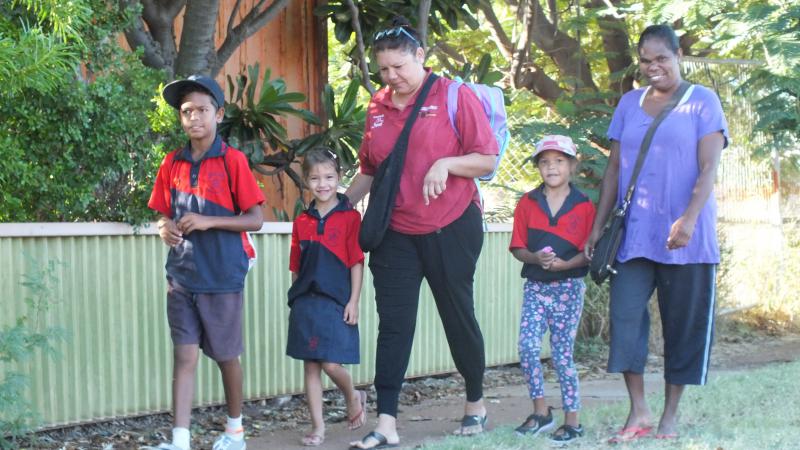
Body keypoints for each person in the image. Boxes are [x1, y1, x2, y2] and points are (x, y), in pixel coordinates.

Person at [345, 16, 499, 450]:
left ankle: (475, 402)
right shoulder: (378, 106)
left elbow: (486, 160)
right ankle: (387, 421)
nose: (392, 76)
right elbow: (371, 170)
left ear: (421, 57)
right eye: (384, 70)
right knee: (394, 325)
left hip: (451, 226)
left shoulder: (454, 95)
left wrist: (446, 164)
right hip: (395, 231)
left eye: (400, 66)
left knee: (457, 315)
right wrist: (337, 204)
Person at [584, 24, 728, 442]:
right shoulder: (628, 104)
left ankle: (669, 416)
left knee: (682, 328)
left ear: (678, 56)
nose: (653, 67)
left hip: (686, 239)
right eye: (645, 61)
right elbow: (613, 170)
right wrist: (598, 227)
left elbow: (709, 168)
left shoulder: (703, 102)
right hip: (634, 237)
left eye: (661, 58)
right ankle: (639, 410)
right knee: (625, 320)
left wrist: (688, 219)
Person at [145, 75, 265, 450]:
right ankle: (180, 441)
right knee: (184, 356)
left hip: (222, 275)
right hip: (181, 276)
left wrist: (209, 220)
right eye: (186, 111)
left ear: (219, 113)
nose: (194, 118)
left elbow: (256, 219)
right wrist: (163, 228)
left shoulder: (233, 161)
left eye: (202, 110)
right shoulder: (171, 163)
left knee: (227, 356)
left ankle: (235, 432)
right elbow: (161, 215)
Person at [509, 135, 595, 446]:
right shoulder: (528, 203)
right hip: (536, 287)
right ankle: (541, 413)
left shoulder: (585, 206)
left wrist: (564, 265)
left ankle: (573, 421)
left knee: (562, 355)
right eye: (545, 162)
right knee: (528, 347)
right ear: (538, 167)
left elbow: (589, 251)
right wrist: (536, 258)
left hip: (569, 287)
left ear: (572, 165)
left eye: (559, 161)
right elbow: (518, 247)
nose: (552, 167)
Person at [286, 148, 367, 447]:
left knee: (331, 365)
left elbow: (356, 261)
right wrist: (296, 299)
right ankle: (318, 427)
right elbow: (296, 265)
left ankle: (353, 395)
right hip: (305, 302)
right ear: (306, 181)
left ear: (339, 178)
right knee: (310, 366)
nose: (323, 184)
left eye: (329, 177)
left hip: (336, 301)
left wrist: (354, 301)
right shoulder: (302, 221)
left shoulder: (350, 218)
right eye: (315, 178)